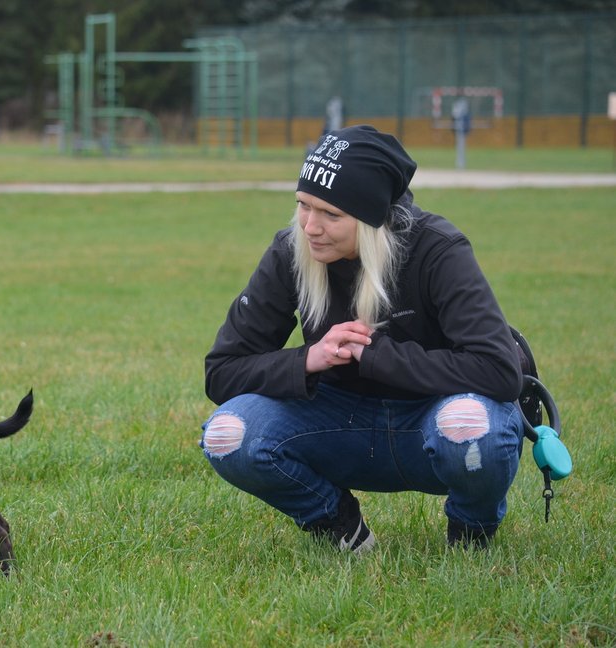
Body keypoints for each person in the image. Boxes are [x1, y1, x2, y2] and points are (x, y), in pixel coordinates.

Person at [201, 125, 524, 554]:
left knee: (470, 422)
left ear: (373, 218)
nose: (311, 226)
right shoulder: (290, 251)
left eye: (331, 214)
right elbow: (221, 372)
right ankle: (338, 526)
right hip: (338, 425)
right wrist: (307, 360)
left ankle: (470, 535)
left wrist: (376, 356)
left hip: (432, 419)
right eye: (303, 205)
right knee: (227, 434)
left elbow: (501, 372)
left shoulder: (438, 249)